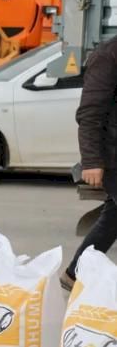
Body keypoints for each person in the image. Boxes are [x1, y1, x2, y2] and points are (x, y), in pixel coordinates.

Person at [62, 37, 117, 290]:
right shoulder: (109, 55)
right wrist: (92, 161)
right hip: (113, 156)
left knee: (113, 219)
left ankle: (74, 274)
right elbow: (90, 112)